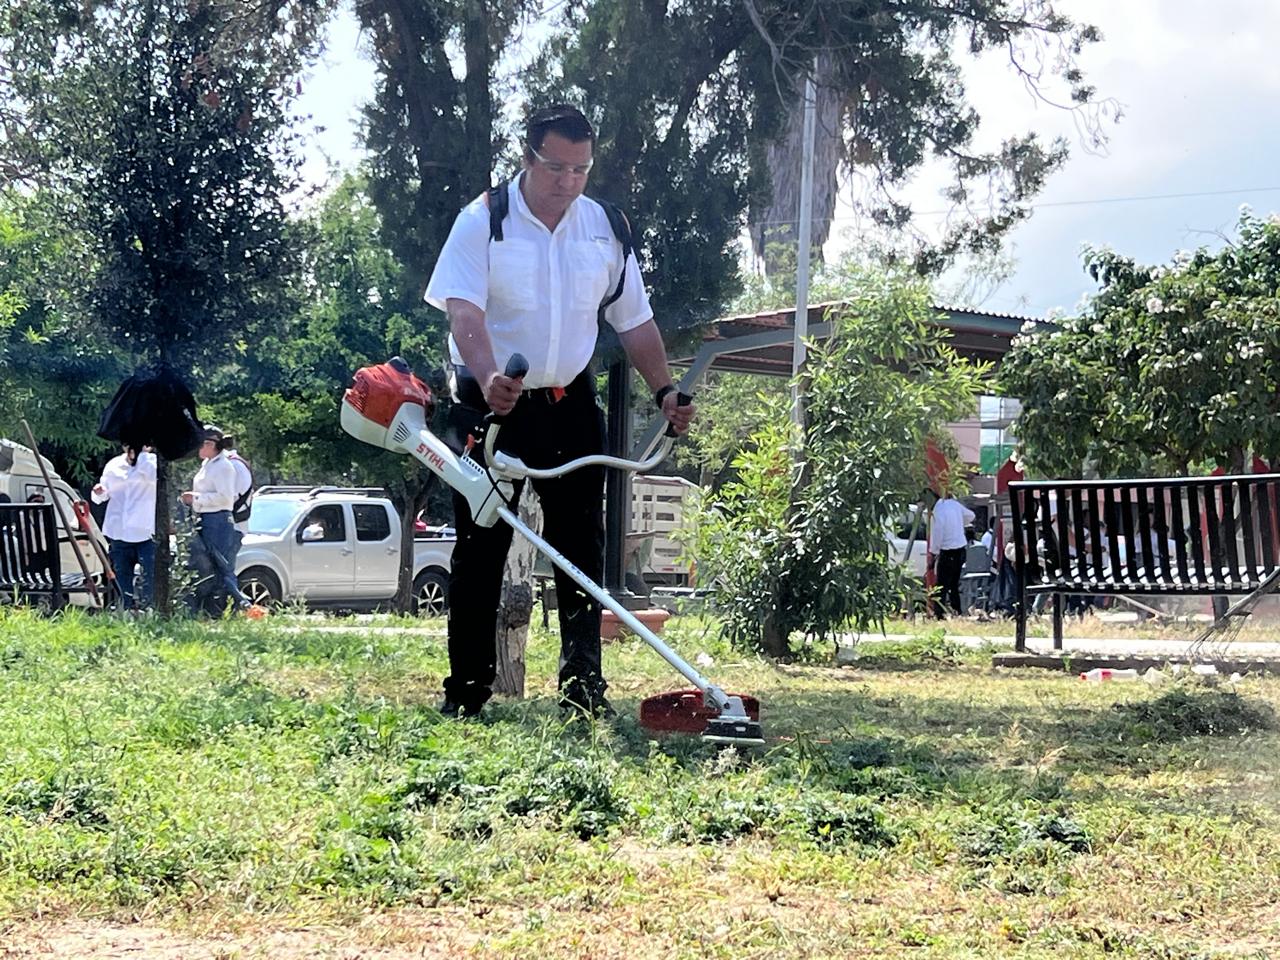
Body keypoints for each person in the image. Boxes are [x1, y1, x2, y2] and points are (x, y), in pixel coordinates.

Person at [424, 103, 694, 719]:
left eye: (580, 169)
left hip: (570, 405)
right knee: (481, 545)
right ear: (527, 158)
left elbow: (636, 321)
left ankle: (582, 689)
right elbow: (463, 312)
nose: (568, 182)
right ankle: (466, 692)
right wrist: (490, 376)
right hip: (491, 405)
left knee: (580, 548)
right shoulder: (484, 220)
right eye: (555, 168)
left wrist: (664, 391)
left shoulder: (606, 228)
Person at [181, 425, 252, 614]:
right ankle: (219, 608)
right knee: (209, 567)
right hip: (207, 517)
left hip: (218, 521)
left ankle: (243, 605)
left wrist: (196, 498)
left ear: (209, 444)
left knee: (221, 567)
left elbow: (225, 498)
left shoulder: (224, 466)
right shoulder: (209, 464)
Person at [91, 444, 157, 610]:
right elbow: (102, 494)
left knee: (150, 574)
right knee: (121, 574)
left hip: (145, 531)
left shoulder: (152, 463)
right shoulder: (113, 464)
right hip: (119, 530)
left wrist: (141, 456)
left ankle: (149, 609)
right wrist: (99, 492)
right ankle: (124, 609)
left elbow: (154, 478)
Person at [929, 491, 975, 618]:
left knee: (941, 585)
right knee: (954, 584)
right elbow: (971, 516)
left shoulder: (939, 510)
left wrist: (933, 552)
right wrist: (960, 523)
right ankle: (957, 611)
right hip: (960, 549)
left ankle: (939, 613)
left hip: (947, 550)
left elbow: (938, 532)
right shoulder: (955, 505)